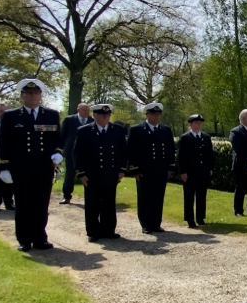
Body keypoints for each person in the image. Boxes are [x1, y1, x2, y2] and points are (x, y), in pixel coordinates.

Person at [0, 79, 63, 252]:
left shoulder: (51, 114)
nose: (32, 96)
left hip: (43, 168)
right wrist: (3, 167)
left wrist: (58, 152)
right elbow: (3, 143)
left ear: (40, 96)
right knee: (24, 204)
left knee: (41, 204)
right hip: (21, 168)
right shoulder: (11, 116)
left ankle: (40, 237)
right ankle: (24, 239)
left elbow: (58, 139)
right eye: (28, 93)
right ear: (22, 96)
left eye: (36, 93)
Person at [74, 104, 127, 242]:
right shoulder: (84, 131)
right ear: (95, 116)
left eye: (107, 115)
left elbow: (123, 152)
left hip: (111, 172)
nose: (105, 117)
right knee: (92, 204)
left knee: (109, 203)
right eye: (102, 115)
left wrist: (122, 169)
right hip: (92, 174)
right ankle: (93, 231)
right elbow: (78, 154)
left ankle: (109, 230)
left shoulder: (118, 130)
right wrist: (81, 173)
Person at [126, 103, 176, 234]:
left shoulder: (165, 130)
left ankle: (156, 223)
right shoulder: (136, 130)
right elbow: (131, 152)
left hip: (161, 170)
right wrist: (134, 169)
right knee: (144, 198)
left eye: (158, 114)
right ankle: (146, 224)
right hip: (144, 171)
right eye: (153, 114)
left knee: (158, 198)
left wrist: (170, 167)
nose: (156, 116)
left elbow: (171, 150)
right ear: (147, 114)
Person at [177, 114, 214, 228]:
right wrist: (182, 171)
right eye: (196, 123)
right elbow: (181, 156)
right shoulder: (185, 138)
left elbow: (210, 155)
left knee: (201, 195)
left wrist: (211, 168)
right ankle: (189, 219)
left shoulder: (206, 137)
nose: (198, 125)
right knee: (189, 196)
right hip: (190, 172)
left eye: (199, 123)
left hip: (203, 171)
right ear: (191, 124)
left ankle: (200, 217)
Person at [59, 102, 91, 204]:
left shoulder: (92, 120)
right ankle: (67, 196)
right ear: (78, 110)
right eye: (84, 110)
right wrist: (61, 149)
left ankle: (90, 197)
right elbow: (62, 135)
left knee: (89, 174)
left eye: (87, 110)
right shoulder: (69, 120)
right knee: (70, 174)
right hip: (71, 152)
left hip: (87, 153)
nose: (86, 112)